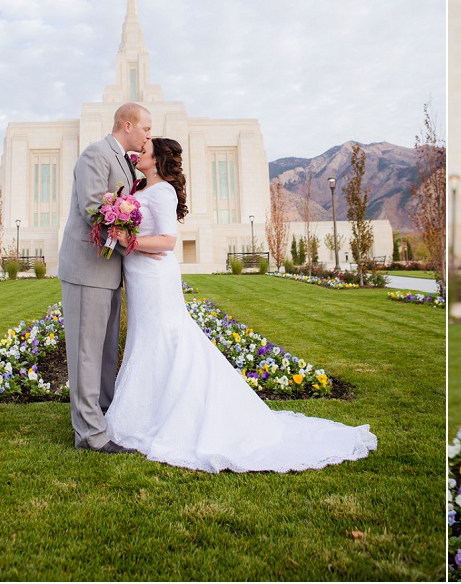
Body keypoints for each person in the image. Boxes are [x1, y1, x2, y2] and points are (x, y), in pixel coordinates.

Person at [102, 137, 377, 472]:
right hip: (139, 275)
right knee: (146, 339)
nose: (138, 151)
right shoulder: (139, 189)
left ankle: (169, 417)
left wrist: (130, 240)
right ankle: (147, 411)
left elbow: (168, 241)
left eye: (145, 149)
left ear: (158, 159)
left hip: (155, 276)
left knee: (165, 337)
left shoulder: (162, 192)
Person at [58, 102, 152, 453]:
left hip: (109, 270)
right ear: (127, 125)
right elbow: (93, 208)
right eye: (145, 128)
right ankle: (89, 435)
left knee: (105, 352)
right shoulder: (95, 155)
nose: (148, 135)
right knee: (86, 352)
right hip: (86, 268)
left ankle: (104, 418)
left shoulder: (125, 164)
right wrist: (129, 234)